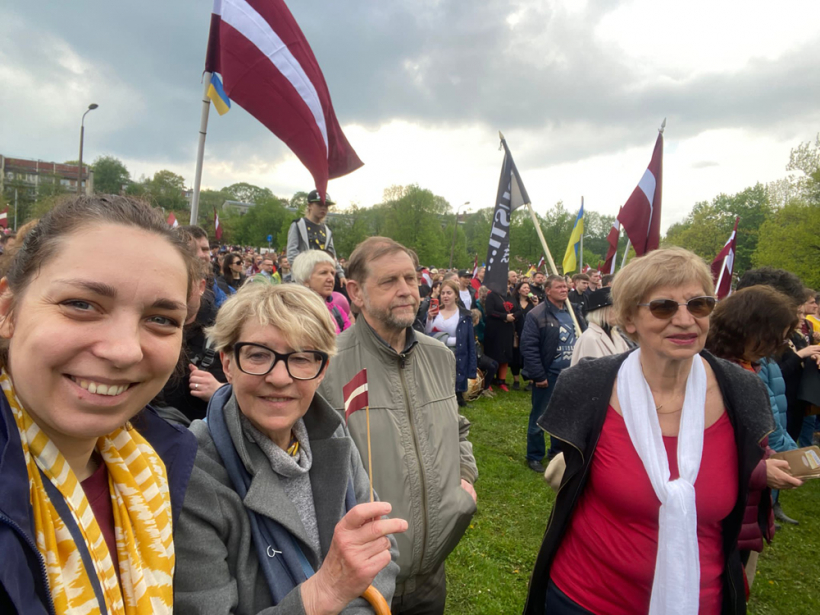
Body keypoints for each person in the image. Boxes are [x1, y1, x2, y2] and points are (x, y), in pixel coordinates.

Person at [524, 247, 776, 615]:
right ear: (628, 320)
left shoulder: (742, 390)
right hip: (584, 598)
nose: (686, 320)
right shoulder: (588, 384)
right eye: (663, 307)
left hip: (700, 600)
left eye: (699, 305)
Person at [0, 195, 198, 614]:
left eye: (161, 319)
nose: (124, 350)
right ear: (7, 311)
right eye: (82, 305)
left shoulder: (155, 468)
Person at [174, 284, 403, 614]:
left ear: (321, 370)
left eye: (301, 358)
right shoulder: (194, 472)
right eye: (257, 355)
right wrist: (321, 595)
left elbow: (381, 553)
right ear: (227, 363)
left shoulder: (337, 439)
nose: (280, 377)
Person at [319, 237, 478, 615]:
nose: (407, 290)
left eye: (410, 278)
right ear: (355, 292)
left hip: (431, 576)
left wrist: (465, 486)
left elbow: (458, 429)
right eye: (390, 281)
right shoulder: (327, 367)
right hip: (361, 585)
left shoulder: (439, 356)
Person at [704, 285, 804, 587]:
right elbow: (708, 450)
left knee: (737, 577)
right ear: (749, 327)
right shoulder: (712, 374)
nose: (781, 343)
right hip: (721, 507)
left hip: (750, 497)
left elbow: (766, 428)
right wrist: (760, 468)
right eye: (776, 334)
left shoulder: (754, 365)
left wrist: (779, 456)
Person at [519, 275, 579, 472]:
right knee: (540, 415)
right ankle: (535, 455)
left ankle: (556, 451)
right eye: (559, 287)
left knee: (563, 416)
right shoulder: (536, 315)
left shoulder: (573, 312)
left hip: (570, 375)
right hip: (548, 375)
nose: (565, 290)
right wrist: (538, 375)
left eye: (566, 286)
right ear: (547, 290)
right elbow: (529, 347)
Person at [425, 280, 478, 407]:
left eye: (449, 293)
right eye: (443, 293)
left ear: (456, 295)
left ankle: (458, 397)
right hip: (436, 353)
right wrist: (429, 318)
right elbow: (426, 333)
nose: (445, 296)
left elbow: (469, 340)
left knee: (455, 375)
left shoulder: (464, 315)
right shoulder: (434, 313)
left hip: (456, 353)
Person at [287, 190, 346, 286]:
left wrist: (341, 274)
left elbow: (332, 256)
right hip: (303, 280)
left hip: (321, 280)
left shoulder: (327, 230)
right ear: (309, 205)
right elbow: (292, 253)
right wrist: (305, 273)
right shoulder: (298, 225)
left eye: (326, 206)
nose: (323, 208)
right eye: (319, 204)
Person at [292, 250, 352, 334]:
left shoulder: (337, 311)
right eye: (323, 273)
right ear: (305, 279)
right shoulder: (292, 313)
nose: (331, 279)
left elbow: (351, 341)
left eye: (332, 273)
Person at [570, 287, 630, 365]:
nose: (620, 312)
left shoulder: (616, 336)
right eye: (615, 307)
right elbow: (589, 374)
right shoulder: (589, 339)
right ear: (603, 311)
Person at [484, 282, 516, 392]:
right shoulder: (491, 296)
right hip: (494, 329)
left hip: (507, 329)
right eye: (505, 284)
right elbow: (489, 311)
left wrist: (513, 316)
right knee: (493, 354)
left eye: (508, 284)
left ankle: (501, 381)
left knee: (505, 355)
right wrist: (504, 316)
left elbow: (518, 310)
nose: (507, 286)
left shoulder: (510, 297)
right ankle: (489, 380)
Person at [510, 281, 538, 390]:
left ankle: (531, 381)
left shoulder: (532, 303)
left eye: (528, 288)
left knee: (529, 356)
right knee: (516, 357)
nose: (527, 290)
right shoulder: (514, 302)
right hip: (517, 332)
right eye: (524, 288)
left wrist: (536, 304)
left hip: (530, 332)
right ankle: (516, 381)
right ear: (519, 289)